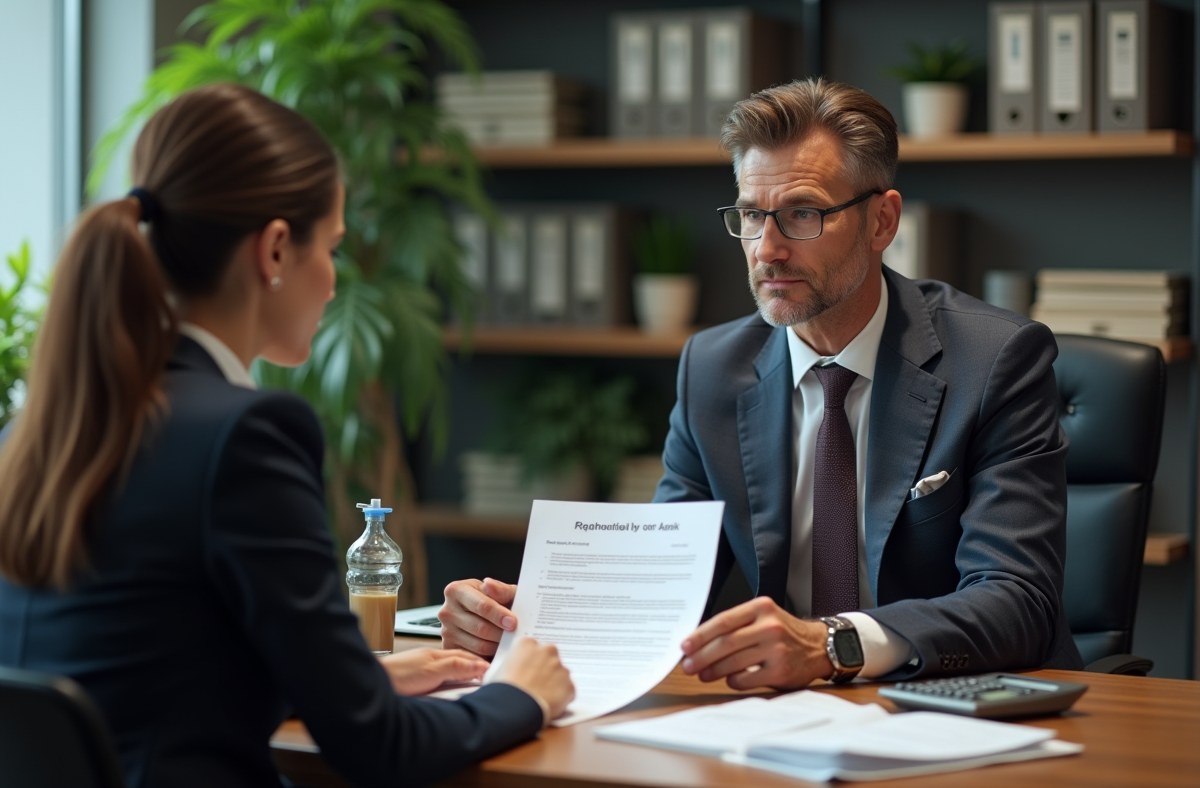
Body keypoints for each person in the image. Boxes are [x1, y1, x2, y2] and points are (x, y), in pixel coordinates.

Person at [0, 83, 573, 788]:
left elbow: (152, 668)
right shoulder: (243, 434)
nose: (334, 282)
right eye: (331, 247)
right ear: (274, 250)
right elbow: (379, 749)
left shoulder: (41, 431)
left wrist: (356, 679)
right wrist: (521, 696)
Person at [439, 77, 1083, 689]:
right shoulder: (713, 368)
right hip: (784, 715)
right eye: (751, 215)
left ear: (883, 222)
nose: (767, 249)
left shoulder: (996, 359)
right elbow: (663, 580)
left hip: (958, 707)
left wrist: (833, 644)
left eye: (802, 214)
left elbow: (1017, 600)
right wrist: (537, 619)